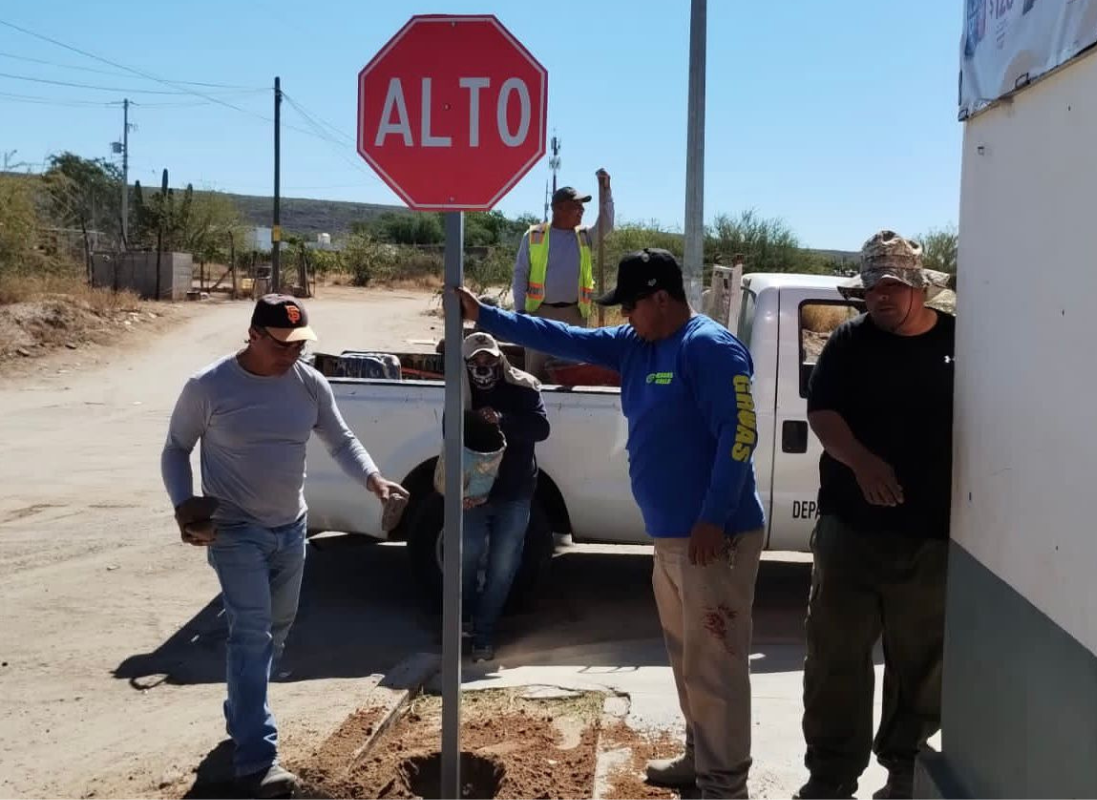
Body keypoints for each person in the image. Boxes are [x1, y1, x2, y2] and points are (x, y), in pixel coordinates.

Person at [458, 248, 764, 799]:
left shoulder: (709, 348)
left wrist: (713, 518)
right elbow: (563, 337)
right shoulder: (636, 345)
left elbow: (739, 437)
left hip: (717, 538)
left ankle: (726, 785)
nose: (624, 316)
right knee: (686, 657)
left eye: (631, 305)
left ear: (662, 298)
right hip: (672, 535)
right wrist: (487, 317)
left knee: (715, 663)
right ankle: (701, 758)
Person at [161, 294, 406, 799]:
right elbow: (176, 448)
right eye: (283, 345)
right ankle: (257, 759)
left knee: (275, 631)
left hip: (291, 528)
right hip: (233, 530)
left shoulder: (308, 384)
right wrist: (183, 503)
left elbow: (340, 439)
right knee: (251, 635)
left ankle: (241, 713)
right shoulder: (209, 386)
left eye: (300, 345)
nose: (292, 354)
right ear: (253, 336)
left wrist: (374, 480)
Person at [794, 231, 955, 800]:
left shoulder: (961, 342)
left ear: (917, 287)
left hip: (932, 537)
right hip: (850, 533)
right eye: (872, 286)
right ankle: (831, 776)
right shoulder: (848, 342)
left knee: (922, 663)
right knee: (836, 656)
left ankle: (906, 771)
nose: (881, 296)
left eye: (893, 284)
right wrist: (861, 462)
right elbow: (823, 411)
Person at [455, 331, 551, 662]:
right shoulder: (459, 393)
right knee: (464, 561)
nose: (483, 365)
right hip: (473, 495)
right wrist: (462, 490)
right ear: (466, 364)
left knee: (502, 567)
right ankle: (462, 621)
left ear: (500, 359)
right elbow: (450, 441)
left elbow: (541, 428)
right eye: (475, 360)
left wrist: (503, 420)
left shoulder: (523, 387)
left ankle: (484, 632)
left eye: (489, 359)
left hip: (514, 492)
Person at [511, 170, 615, 380]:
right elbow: (521, 274)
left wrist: (606, 191)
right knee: (536, 375)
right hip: (540, 314)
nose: (582, 210)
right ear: (559, 208)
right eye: (576, 205)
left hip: (574, 316)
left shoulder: (584, 236)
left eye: (582, 206)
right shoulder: (534, 236)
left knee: (570, 373)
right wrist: (521, 312)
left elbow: (607, 223)